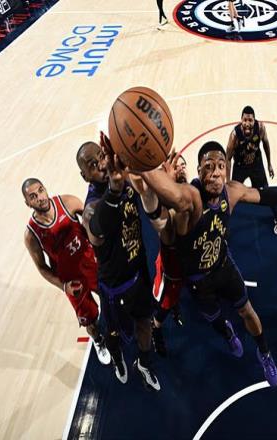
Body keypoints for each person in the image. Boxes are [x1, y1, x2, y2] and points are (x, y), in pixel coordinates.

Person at [139, 140, 277, 387]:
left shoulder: (232, 191)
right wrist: (143, 167)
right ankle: (227, 333)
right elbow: (171, 197)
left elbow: (262, 195)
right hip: (198, 281)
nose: (216, 172)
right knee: (216, 319)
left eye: (220, 166)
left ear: (226, 168)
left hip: (224, 266)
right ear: (199, 171)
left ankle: (265, 353)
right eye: (209, 167)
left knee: (248, 310)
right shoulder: (192, 198)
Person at [76, 138, 160, 391]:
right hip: (115, 286)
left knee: (145, 322)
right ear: (84, 176)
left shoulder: (125, 180)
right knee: (114, 335)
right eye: (92, 165)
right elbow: (96, 230)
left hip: (138, 271)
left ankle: (144, 363)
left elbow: (148, 191)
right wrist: (113, 190)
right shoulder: (91, 207)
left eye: (101, 156)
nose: (101, 165)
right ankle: (117, 358)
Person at [22, 178, 110, 366]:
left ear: (45, 188)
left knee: (110, 297)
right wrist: (63, 286)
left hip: (91, 264)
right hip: (71, 280)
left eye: (41, 190)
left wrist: (101, 251)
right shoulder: (31, 235)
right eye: (33, 196)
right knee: (89, 319)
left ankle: (118, 326)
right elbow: (42, 268)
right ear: (27, 203)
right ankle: (98, 340)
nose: (40, 197)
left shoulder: (68, 202)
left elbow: (92, 224)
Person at [150, 155, 188, 357]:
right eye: (177, 166)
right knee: (163, 307)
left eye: (183, 165)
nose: (180, 168)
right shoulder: (167, 205)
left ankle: (174, 306)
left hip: (184, 266)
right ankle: (155, 329)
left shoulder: (191, 193)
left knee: (177, 295)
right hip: (170, 270)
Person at [226, 106, 277, 234]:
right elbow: (227, 158)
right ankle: (224, 226)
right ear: (241, 120)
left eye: (250, 120)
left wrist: (269, 164)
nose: (247, 123)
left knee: (266, 192)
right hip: (240, 167)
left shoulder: (260, 128)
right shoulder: (235, 135)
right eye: (245, 120)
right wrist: (227, 181)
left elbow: (266, 144)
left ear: (254, 120)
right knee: (230, 196)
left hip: (256, 165)